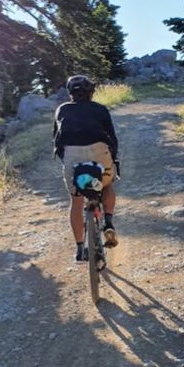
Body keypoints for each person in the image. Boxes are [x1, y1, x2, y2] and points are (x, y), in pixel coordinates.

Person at [53, 75, 121, 262]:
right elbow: (112, 137)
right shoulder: (100, 109)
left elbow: (56, 140)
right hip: (100, 151)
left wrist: (66, 159)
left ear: (70, 93)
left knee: (76, 201)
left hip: (72, 154)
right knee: (106, 185)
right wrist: (114, 158)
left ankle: (80, 248)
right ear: (91, 92)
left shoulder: (62, 109)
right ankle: (108, 222)